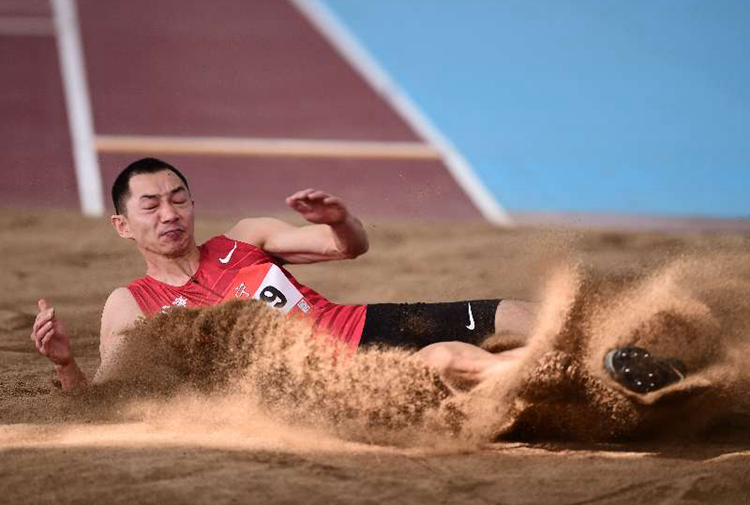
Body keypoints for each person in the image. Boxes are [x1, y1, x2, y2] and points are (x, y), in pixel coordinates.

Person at [30, 158, 538, 392]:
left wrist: (339, 220)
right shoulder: (131, 303)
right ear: (122, 225)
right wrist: (66, 365)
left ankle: (571, 350)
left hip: (362, 324)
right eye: (151, 205)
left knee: (512, 313)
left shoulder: (245, 238)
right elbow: (108, 398)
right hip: (326, 381)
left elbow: (348, 247)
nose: (170, 214)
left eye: (179, 199)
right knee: (444, 359)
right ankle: (557, 371)